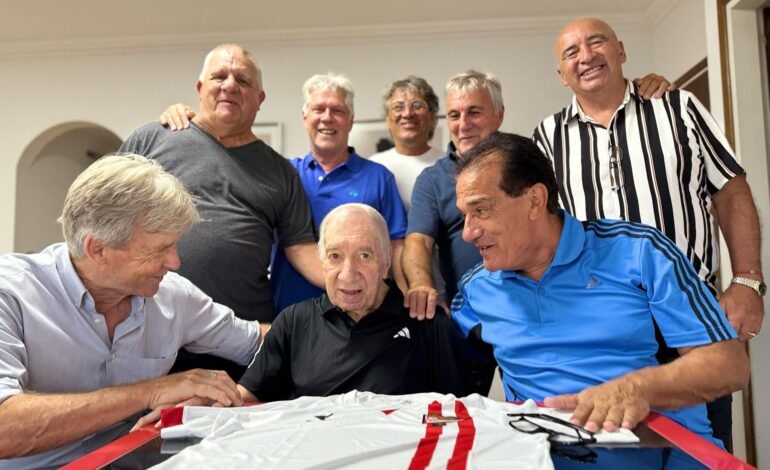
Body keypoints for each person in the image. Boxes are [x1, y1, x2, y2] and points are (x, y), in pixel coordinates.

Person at [532, 17, 763, 450]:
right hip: (601, 325)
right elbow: (544, 231)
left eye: (596, 42)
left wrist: (747, 280)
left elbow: (732, 191)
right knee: (616, 449)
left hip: (692, 320)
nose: (586, 56)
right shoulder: (546, 137)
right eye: (571, 52)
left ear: (621, 51)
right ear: (561, 76)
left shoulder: (678, 108)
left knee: (703, 449)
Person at [451, 132, 749, 446]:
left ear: (534, 201)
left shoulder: (639, 251)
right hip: (542, 457)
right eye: (464, 216)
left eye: (481, 210)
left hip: (657, 452)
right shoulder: (475, 292)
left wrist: (638, 388)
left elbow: (729, 365)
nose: (468, 233)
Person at [0, 154, 260, 469]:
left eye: (175, 245)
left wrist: (215, 392)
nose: (175, 262)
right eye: (159, 249)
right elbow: (4, 430)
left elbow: (260, 341)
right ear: (98, 249)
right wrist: (151, 392)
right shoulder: (10, 293)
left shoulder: (173, 296)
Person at [404, 70, 675, 319]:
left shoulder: (532, 157)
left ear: (499, 114)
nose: (463, 124)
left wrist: (634, 90)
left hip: (552, 299)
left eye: (474, 112)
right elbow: (418, 242)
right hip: (475, 308)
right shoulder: (431, 180)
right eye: (454, 115)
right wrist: (421, 285)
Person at [120, 44, 322, 378]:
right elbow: (104, 215)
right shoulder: (152, 138)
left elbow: (301, 248)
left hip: (240, 337)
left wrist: (359, 283)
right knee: (144, 426)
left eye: (243, 80)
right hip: (147, 329)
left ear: (259, 98)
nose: (230, 85)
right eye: (219, 76)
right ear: (200, 89)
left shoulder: (281, 172)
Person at [237, 204, 475, 402]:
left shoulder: (427, 323)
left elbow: (460, 415)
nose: (348, 274)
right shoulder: (293, 322)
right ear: (321, 260)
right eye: (335, 257)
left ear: (386, 261)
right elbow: (248, 398)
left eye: (364, 256)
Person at [269, 73, 408, 312]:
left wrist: (404, 295)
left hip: (361, 316)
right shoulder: (284, 173)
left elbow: (396, 247)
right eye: (318, 109)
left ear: (351, 120)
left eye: (337, 111)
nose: (327, 118)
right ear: (305, 117)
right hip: (291, 316)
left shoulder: (378, 178)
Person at [369, 75, 444, 210]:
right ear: (387, 118)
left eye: (417, 105)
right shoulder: (374, 166)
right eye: (398, 107)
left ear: (432, 116)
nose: (408, 114)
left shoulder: (448, 165)